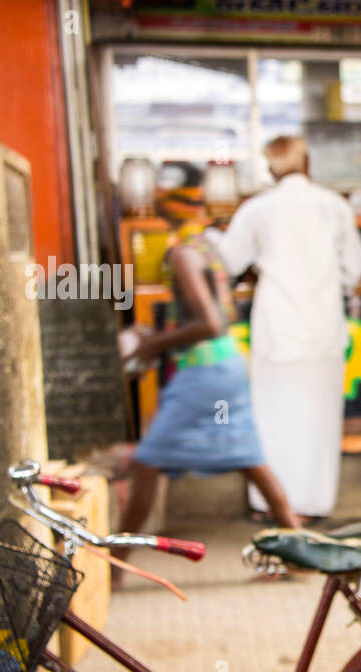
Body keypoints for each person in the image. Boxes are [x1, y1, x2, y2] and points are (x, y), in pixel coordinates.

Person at [117, 188, 300, 568]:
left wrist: (153, 345)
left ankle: (115, 564)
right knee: (250, 459)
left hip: (204, 372)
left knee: (150, 460)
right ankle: (299, 550)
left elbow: (209, 322)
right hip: (224, 366)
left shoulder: (183, 254)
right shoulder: (207, 248)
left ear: (165, 212)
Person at [209, 136, 361, 520]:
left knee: (273, 421)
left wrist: (213, 233)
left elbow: (229, 261)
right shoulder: (334, 206)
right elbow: (357, 265)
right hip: (322, 330)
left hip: (277, 330)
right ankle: (314, 505)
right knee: (319, 422)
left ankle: (271, 506)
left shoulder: (257, 208)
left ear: (269, 169)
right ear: (308, 161)